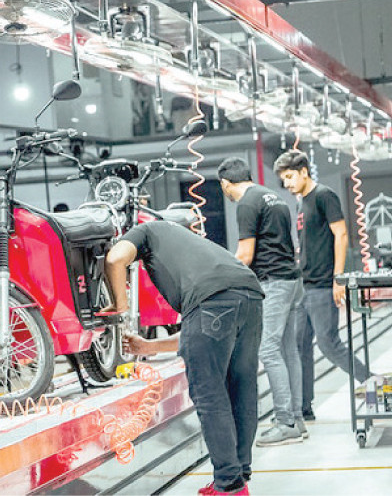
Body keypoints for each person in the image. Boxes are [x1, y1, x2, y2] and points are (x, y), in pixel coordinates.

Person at [106, 221, 263, 496]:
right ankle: (238, 476)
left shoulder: (144, 232)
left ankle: (229, 485)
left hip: (212, 301)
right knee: (242, 390)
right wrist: (149, 346)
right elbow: (201, 334)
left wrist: (120, 304)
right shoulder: (188, 245)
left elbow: (114, 259)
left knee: (210, 394)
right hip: (250, 295)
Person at [274, 150, 370, 420]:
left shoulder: (324, 196)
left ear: (304, 172)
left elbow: (341, 234)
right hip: (304, 286)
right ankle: (304, 408)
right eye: (284, 179)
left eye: (290, 177)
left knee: (328, 343)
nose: (287, 183)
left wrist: (338, 278)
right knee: (300, 346)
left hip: (323, 285)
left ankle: (372, 382)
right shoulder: (301, 203)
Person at [218, 157, 307, 446]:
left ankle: (285, 422)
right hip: (292, 279)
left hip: (274, 282)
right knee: (288, 350)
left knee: (268, 349)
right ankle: (297, 418)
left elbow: (245, 254)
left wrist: (220, 276)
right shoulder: (272, 196)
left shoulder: (246, 203)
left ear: (225, 184)